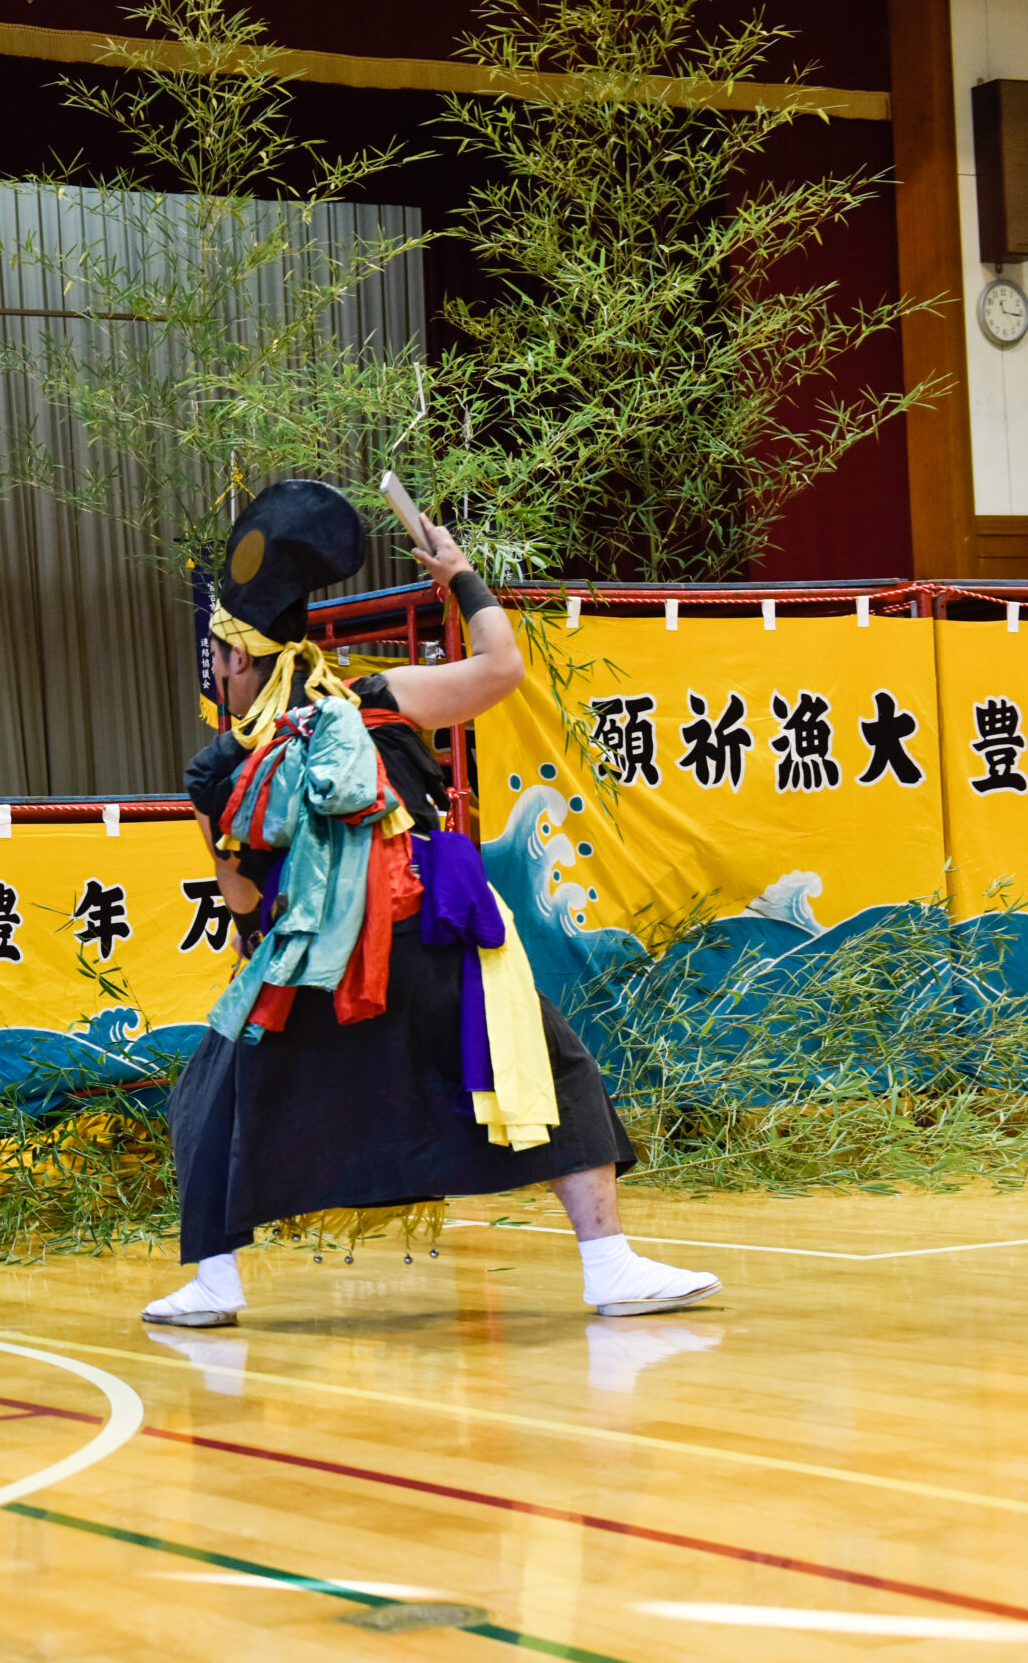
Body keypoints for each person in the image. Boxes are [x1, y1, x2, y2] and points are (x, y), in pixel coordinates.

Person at [144, 480, 719, 1328]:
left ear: (235, 660)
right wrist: (458, 575)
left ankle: (214, 1284)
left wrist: (256, 977)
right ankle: (610, 1267)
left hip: (314, 959)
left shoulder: (215, 770)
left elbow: (244, 898)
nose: (216, 674)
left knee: (213, 1088)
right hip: (433, 936)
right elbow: (502, 668)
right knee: (551, 1068)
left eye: (216, 659)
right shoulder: (374, 699)